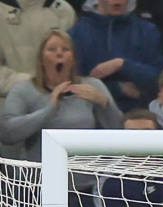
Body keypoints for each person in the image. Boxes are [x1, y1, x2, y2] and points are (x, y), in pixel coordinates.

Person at [0, 29, 122, 161]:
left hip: (87, 178)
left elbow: (122, 133)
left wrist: (105, 103)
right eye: (52, 49)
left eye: (65, 49)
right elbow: (7, 134)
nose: (59, 53)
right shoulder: (24, 90)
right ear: (41, 60)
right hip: (41, 177)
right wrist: (48, 110)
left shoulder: (93, 86)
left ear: (73, 59)